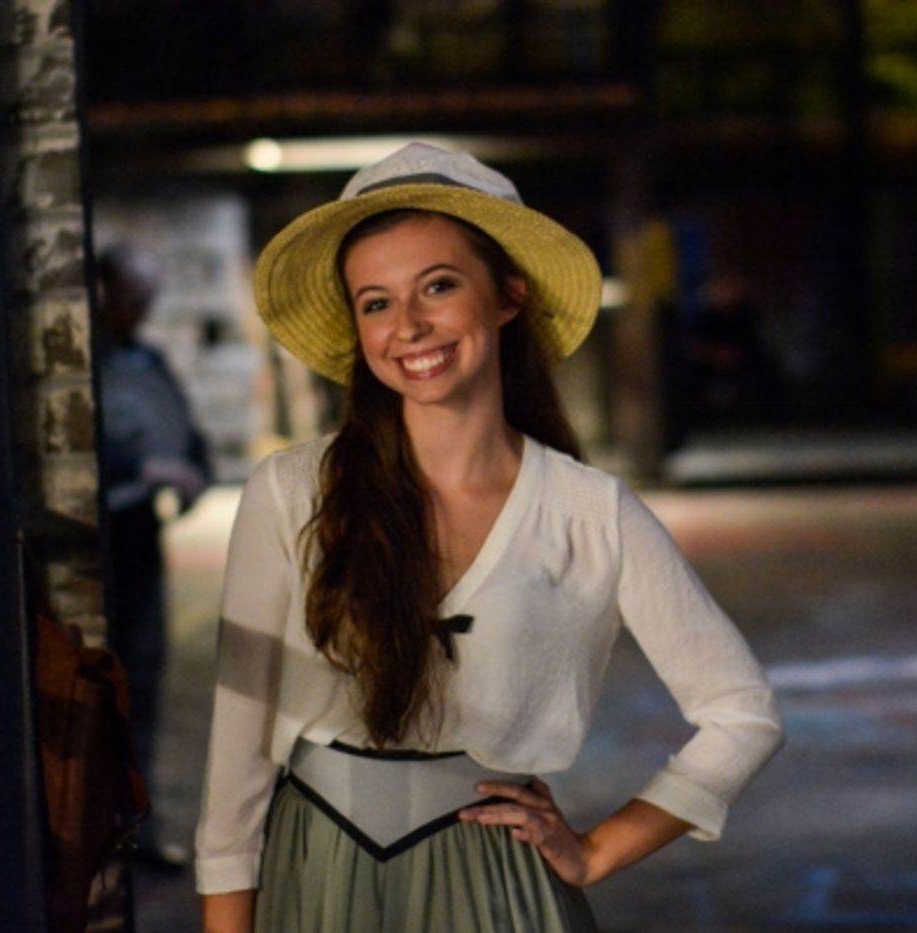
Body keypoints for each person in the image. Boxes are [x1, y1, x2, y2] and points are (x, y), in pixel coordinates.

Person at [195, 144, 784, 932]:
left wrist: (598, 850)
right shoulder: (291, 491)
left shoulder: (590, 512)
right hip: (316, 875)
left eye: (438, 286)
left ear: (508, 297)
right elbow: (236, 752)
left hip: (500, 887)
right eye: (376, 302)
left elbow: (744, 713)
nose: (408, 326)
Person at [96, 243, 212, 867]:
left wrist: (194, 470)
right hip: (99, 534)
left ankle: (136, 827)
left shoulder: (148, 361)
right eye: (134, 297)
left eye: (149, 299)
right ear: (103, 291)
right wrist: (143, 466)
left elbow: (186, 431)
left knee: (143, 678)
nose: (143, 310)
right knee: (103, 685)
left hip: (140, 533)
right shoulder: (83, 358)